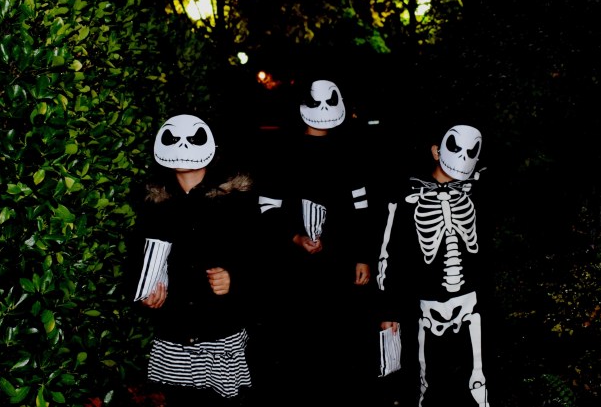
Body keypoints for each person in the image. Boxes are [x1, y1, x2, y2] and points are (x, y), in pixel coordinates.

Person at [255, 78, 379, 407]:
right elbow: (267, 206)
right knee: (297, 346)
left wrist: (362, 256)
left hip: (339, 268)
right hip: (293, 271)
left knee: (337, 346)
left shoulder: (349, 153)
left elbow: (362, 209)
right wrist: (294, 237)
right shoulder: (283, 152)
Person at [130, 113, 260, 407]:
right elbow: (141, 258)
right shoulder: (155, 203)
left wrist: (235, 277)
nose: (183, 146)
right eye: (174, 139)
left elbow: (259, 253)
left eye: (192, 138)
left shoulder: (235, 201)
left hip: (219, 326)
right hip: (175, 329)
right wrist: (144, 294)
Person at [375, 122, 494, 407]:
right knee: (424, 384)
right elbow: (390, 251)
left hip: (472, 302)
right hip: (423, 304)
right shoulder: (406, 196)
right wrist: (389, 309)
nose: (463, 157)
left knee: (478, 381)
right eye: (456, 148)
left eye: (471, 152)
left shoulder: (476, 193)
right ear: (436, 151)